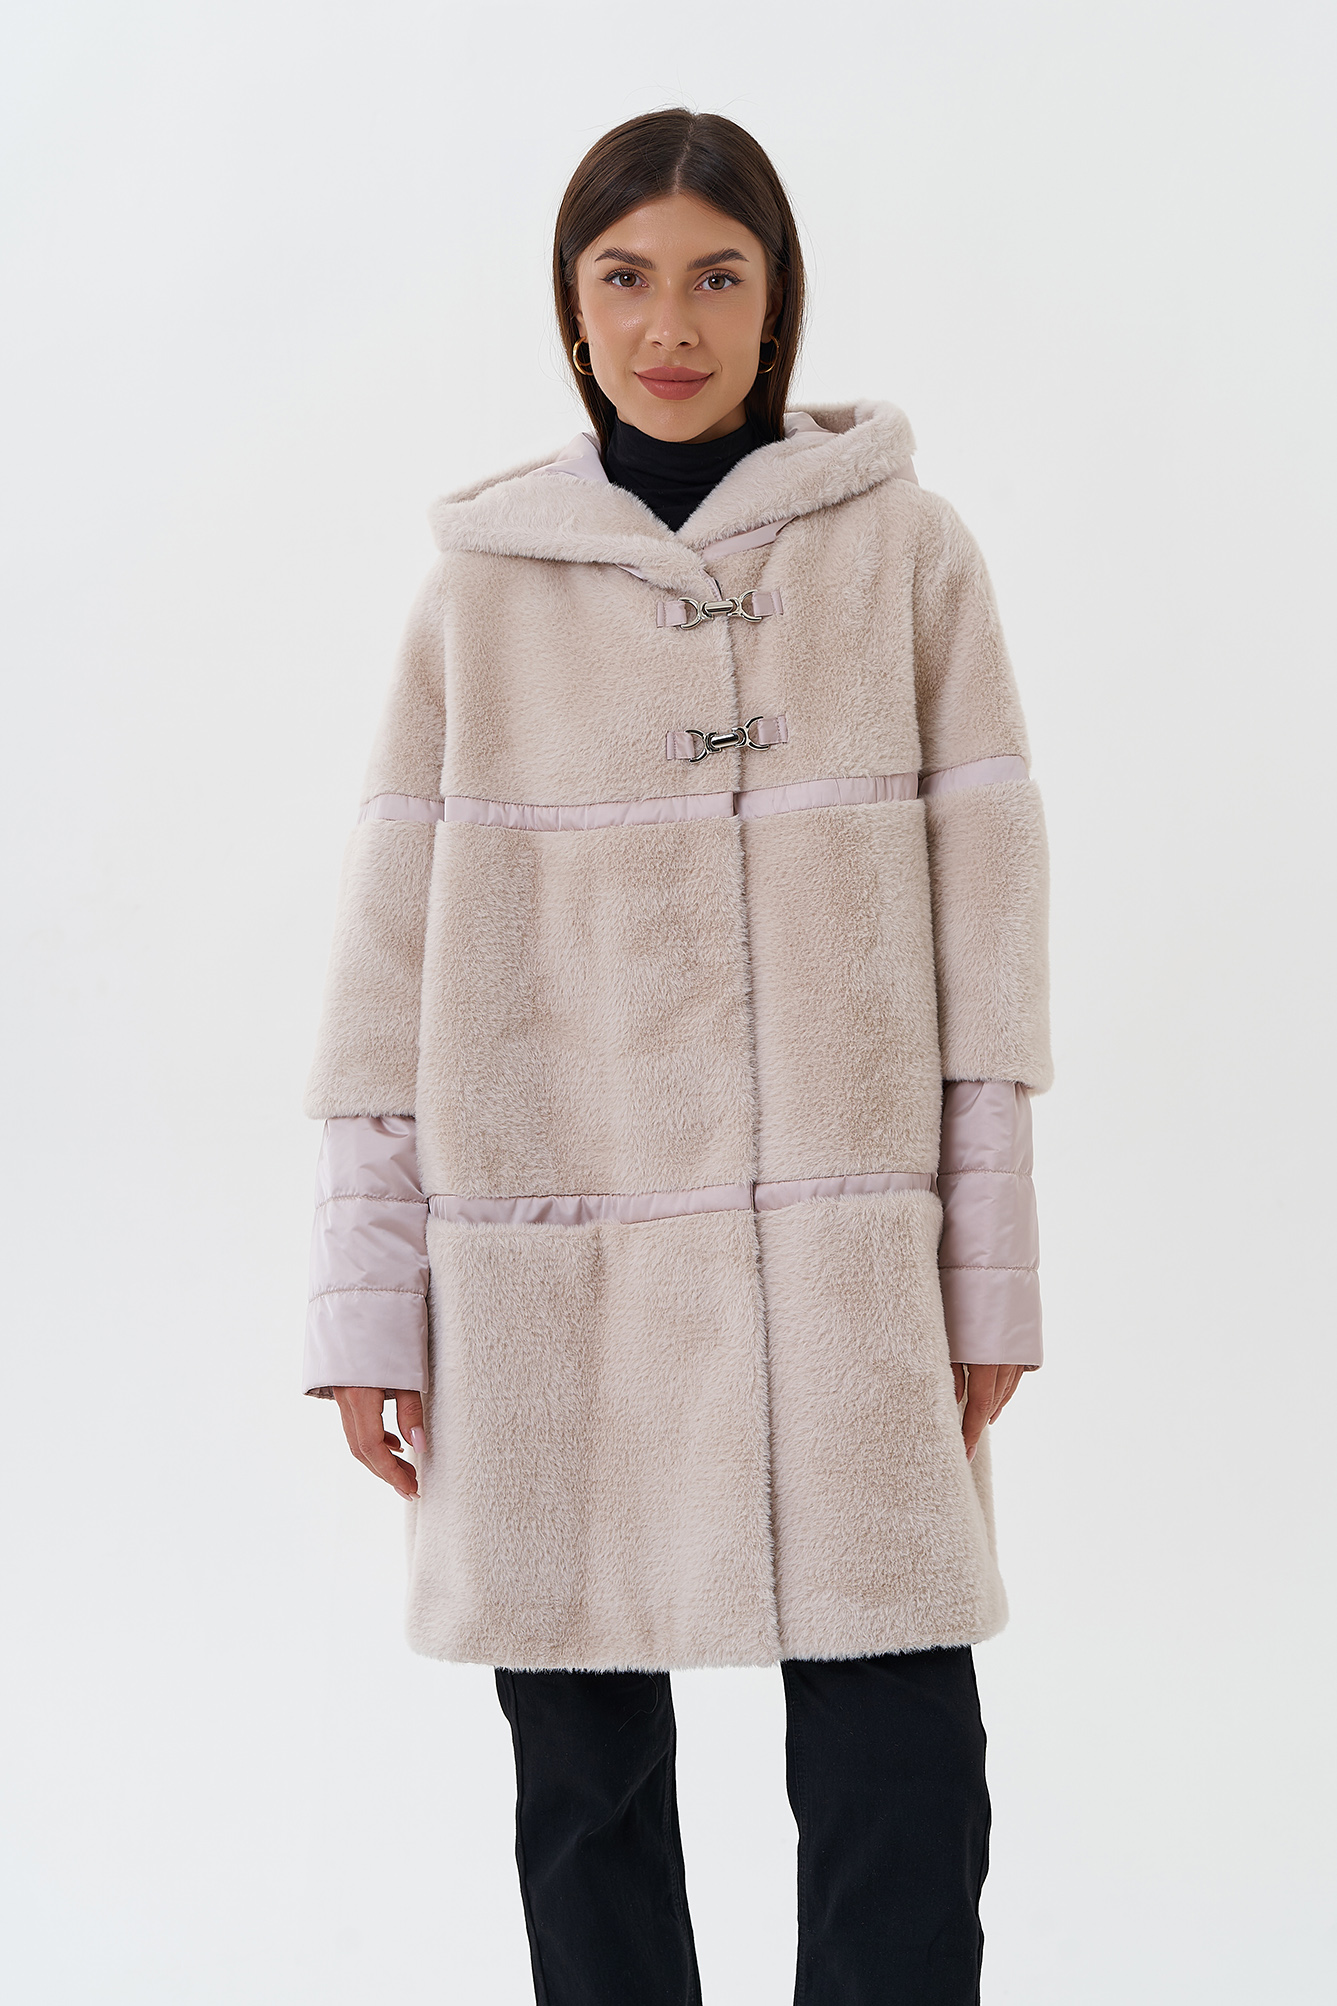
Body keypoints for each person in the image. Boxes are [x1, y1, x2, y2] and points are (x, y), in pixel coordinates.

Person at [302, 107, 1051, 2006]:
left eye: (718, 276)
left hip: (847, 1263)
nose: (670, 324)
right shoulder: (480, 591)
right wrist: (369, 1304)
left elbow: (988, 965)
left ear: (776, 298)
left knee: (900, 1759)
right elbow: (384, 982)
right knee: (582, 1785)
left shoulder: (907, 555)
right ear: (569, 307)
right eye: (625, 277)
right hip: (549, 1267)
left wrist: (986, 1270)